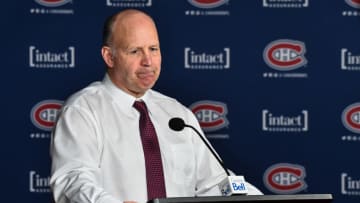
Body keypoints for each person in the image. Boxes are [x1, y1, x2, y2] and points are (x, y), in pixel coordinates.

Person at [50, 9, 262, 203]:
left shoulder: (178, 114)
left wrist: (256, 197)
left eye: (153, 49)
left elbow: (219, 182)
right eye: (135, 51)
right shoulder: (83, 111)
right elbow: (73, 179)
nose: (148, 61)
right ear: (109, 56)